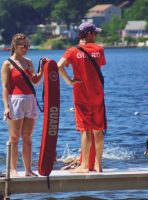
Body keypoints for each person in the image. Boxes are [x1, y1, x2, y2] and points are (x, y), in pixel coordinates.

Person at [57, 22, 106, 173]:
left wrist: (70, 81)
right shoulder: (99, 49)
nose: (96, 36)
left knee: (85, 131)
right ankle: (98, 165)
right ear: (89, 33)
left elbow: (58, 66)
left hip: (81, 97)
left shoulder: (71, 51)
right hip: (97, 96)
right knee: (98, 130)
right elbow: (99, 66)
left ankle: (84, 165)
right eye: (95, 33)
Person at [1, 33, 43, 177]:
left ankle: (28, 170)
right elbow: (5, 87)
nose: (26, 48)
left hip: (30, 99)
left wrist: (42, 69)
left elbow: (35, 81)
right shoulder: (7, 63)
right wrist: (6, 107)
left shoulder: (29, 62)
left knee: (28, 137)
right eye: (23, 46)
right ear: (15, 46)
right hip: (15, 101)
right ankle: (12, 169)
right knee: (14, 137)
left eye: (28, 46)